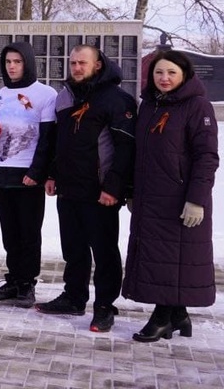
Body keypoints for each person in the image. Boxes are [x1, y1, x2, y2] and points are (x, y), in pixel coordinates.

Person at [39, 45, 136, 334]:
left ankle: (105, 306)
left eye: (82, 63)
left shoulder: (117, 100)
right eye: (73, 63)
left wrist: (113, 187)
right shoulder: (65, 97)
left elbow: (125, 148)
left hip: (100, 193)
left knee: (104, 251)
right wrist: (53, 173)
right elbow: (61, 142)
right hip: (69, 188)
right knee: (73, 248)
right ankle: (74, 296)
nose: (76, 68)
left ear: (98, 65)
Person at [123, 50, 217, 342]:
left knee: (171, 259)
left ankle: (162, 318)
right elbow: (139, 153)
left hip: (181, 200)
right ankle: (178, 316)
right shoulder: (149, 104)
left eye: (171, 73)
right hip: (151, 199)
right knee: (161, 259)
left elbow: (206, 157)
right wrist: (132, 192)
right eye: (158, 73)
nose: (164, 78)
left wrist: (197, 199)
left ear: (184, 75)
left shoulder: (198, 106)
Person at [0, 42, 56, 308]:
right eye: (8, 62)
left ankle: (27, 283)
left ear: (28, 63)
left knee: (28, 231)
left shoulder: (45, 94)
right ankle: (14, 279)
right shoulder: (1, 94)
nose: (12, 67)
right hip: (3, 171)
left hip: (28, 174)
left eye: (17, 61)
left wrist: (37, 172)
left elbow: (48, 139)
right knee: (9, 231)